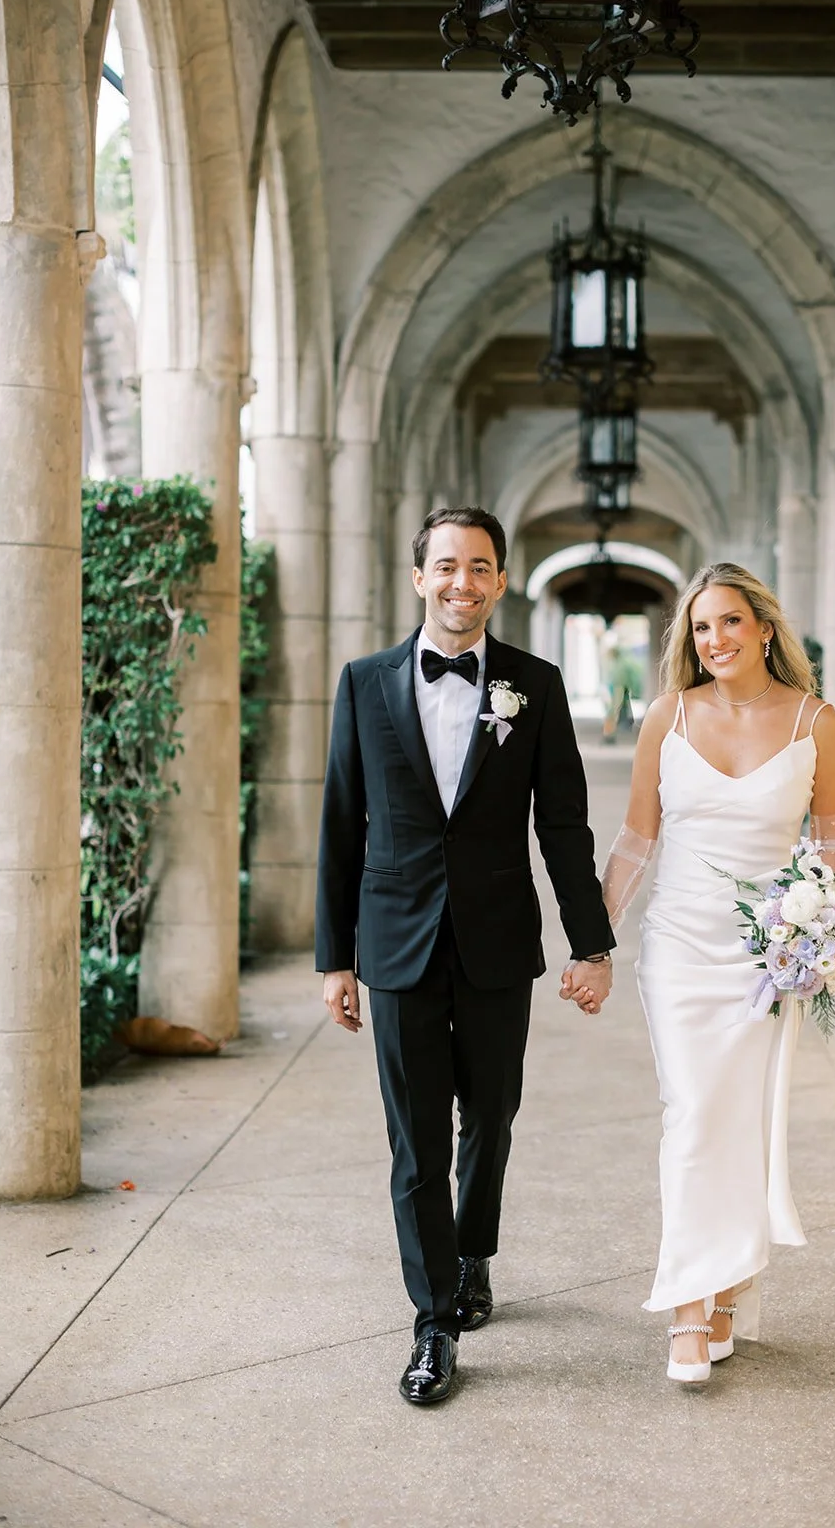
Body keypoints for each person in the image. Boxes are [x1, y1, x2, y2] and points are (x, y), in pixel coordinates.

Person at [316, 506, 615, 1406]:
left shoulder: (536, 683)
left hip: (494, 940)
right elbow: (341, 822)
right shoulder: (364, 682)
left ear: (499, 579)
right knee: (414, 1145)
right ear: (418, 579)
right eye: (445, 566)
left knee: (489, 1117)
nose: (461, 582)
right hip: (395, 943)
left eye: (479, 567)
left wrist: (590, 942)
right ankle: (434, 1321)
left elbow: (561, 823)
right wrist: (336, 957)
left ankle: (473, 1250)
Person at [595, 563, 835, 1383]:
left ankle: (729, 1288)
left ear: (764, 629)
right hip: (677, 945)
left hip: (768, 954)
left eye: (730, 623)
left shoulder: (817, 722)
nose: (715, 641)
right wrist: (593, 938)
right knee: (694, 1112)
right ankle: (686, 1311)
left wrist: (827, 939)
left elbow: (829, 852)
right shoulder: (666, 717)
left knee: (741, 1120)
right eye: (701, 629)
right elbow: (638, 838)